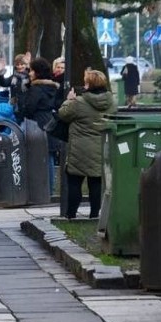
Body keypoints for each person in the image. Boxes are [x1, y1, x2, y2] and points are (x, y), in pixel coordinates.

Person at [58, 69, 116, 219]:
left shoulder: (79, 102)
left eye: (85, 81)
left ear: (89, 84)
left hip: (79, 149)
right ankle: (94, 214)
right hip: (101, 146)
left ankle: (71, 215)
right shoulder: (112, 102)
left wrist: (69, 99)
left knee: (75, 182)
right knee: (96, 182)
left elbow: (63, 114)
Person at [19, 57, 62, 196]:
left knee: (37, 158)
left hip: (37, 124)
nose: (29, 73)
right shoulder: (52, 87)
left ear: (37, 72)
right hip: (51, 123)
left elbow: (28, 108)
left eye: (31, 70)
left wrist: (24, 93)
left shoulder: (36, 89)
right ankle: (49, 189)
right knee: (48, 156)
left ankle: (40, 190)